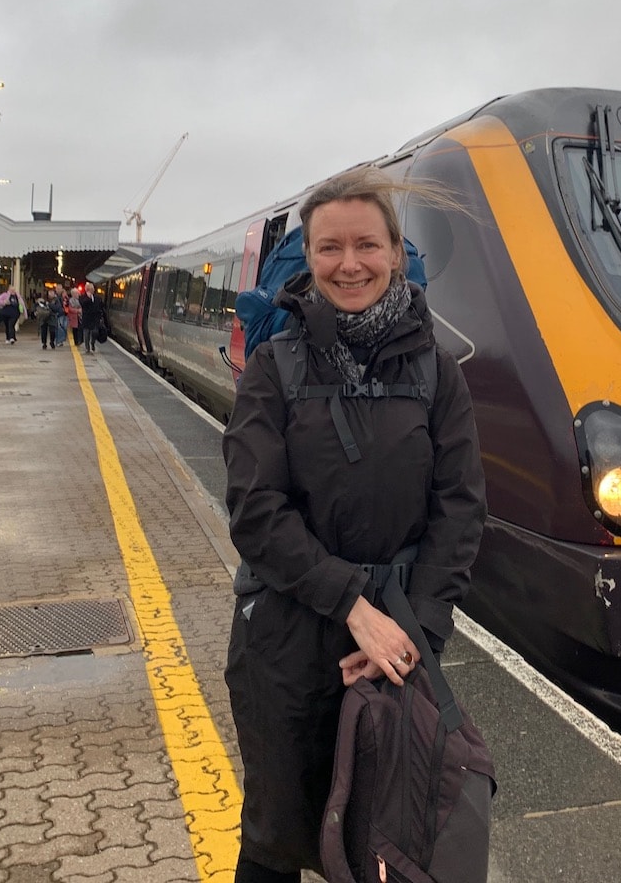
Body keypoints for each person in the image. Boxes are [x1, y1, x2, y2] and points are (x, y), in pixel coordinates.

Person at [222, 166, 487, 883]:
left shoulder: (439, 373)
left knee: (389, 841)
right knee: (275, 835)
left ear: (397, 252)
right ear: (308, 259)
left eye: (366, 245)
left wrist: (413, 633)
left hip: (400, 642)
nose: (349, 264)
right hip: (284, 639)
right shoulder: (274, 370)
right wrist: (352, 606)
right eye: (329, 248)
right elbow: (254, 508)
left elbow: (459, 509)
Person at [79, 281, 102, 354]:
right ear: (86, 290)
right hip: (86, 319)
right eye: (89, 289)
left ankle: (92, 342)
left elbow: (100, 306)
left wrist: (100, 316)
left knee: (95, 332)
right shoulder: (82, 297)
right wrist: (88, 298)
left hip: (95, 319)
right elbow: (83, 304)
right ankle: (87, 348)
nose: (91, 291)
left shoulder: (97, 298)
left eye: (92, 289)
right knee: (86, 334)